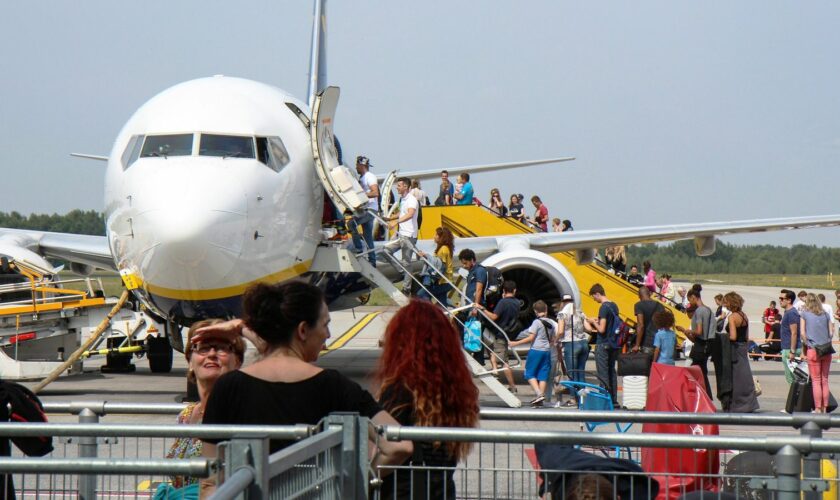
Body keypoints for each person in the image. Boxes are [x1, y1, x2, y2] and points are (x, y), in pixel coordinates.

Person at [194, 282, 413, 496]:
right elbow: (399, 446)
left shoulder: (229, 387)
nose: (328, 335)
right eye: (325, 324)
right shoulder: (334, 386)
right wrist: (351, 480)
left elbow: (210, 480)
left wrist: (243, 328)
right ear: (303, 330)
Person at [375, 300, 479, 499]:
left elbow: (392, 447)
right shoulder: (454, 388)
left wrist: (367, 474)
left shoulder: (401, 388)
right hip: (442, 489)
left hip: (403, 489)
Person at [162, 320, 245, 492]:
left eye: (222, 347)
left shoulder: (241, 411)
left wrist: (241, 328)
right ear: (190, 362)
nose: (212, 354)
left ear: (237, 361)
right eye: (203, 348)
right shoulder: (186, 415)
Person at [509, 300, 557, 407]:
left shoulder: (536, 322)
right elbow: (553, 339)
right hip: (547, 351)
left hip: (536, 350)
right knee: (543, 375)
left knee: (529, 373)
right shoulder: (551, 322)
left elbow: (531, 337)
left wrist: (515, 343)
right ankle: (540, 398)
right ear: (546, 309)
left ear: (535, 311)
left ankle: (539, 394)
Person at [675, 287, 719, 403]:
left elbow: (699, 332)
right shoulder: (709, 310)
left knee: (694, 372)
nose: (690, 303)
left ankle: (699, 398)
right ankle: (706, 397)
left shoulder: (699, 311)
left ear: (693, 297)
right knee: (702, 372)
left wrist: (688, 331)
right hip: (708, 344)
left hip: (700, 345)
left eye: (690, 300)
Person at [476, 280, 520, 393]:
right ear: (515, 291)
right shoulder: (517, 303)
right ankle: (502, 376)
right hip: (509, 333)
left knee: (502, 360)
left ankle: (506, 381)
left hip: (501, 334)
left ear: (504, 291)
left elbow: (494, 317)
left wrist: (482, 309)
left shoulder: (503, 302)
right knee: (496, 353)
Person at [724, 292, 760, 412]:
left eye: (726, 302)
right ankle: (749, 403)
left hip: (735, 349)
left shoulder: (732, 317)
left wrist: (723, 337)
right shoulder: (744, 315)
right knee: (745, 376)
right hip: (743, 347)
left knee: (736, 378)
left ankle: (738, 404)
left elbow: (733, 336)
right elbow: (746, 336)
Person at [384, 177, 420, 293]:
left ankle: (406, 288)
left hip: (409, 236)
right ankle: (403, 272)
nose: (397, 187)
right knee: (385, 251)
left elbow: (410, 214)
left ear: (405, 186)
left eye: (399, 185)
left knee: (406, 262)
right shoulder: (403, 199)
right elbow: (402, 212)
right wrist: (390, 218)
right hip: (402, 235)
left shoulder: (412, 200)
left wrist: (396, 223)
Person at [586, 284, 620, 404]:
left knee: (603, 374)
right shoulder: (614, 305)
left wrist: (592, 322)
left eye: (594, 297)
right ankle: (614, 401)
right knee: (612, 371)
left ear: (597, 294)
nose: (594, 300)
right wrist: (598, 320)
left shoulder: (603, 308)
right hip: (613, 344)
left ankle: (605, 401)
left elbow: (601, 329)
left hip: (603, 344)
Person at [800, 293, 834, 413]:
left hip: (813, 349)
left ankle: (818, 407)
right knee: (824, 380)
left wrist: (807, 343)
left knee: (816, 380)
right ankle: (825, 407)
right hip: (826, 349)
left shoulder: (805, 314)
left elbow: (802, 333)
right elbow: (831, 332)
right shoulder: (825, 314)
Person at [556, 294, 590, 406]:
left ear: (563, 302)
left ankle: (573, 399)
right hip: (583, 343)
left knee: (572, 373)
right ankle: (583, 400)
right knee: (581, 372)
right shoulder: (580, 313)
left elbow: (560, 331)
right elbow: (589, 329)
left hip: (571, 345)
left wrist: (555, 340)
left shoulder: (562, 314)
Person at [348, 155, 379, 265]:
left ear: (362, 165)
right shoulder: (362, 178)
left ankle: (358, 249)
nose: (356, 167)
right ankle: (372, 262)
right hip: (366, 209)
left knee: (351, 223)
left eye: (357, 165)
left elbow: (375, 193)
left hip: (370, 210)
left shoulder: (369, 177)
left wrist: (361, 195)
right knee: (368, 237)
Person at [459, 248, 488, 364]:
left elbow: (479, 289)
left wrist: (475, 307)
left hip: (475, 308)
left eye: (465, 263)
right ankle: (475, 359)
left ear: (472, 260)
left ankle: (479, 360)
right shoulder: (471, 271)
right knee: (472, 333)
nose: (464, 266)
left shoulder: (479, 271)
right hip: (469, 306)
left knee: (476, 333)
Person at [416, 227, 455, 306]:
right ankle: (442, 315)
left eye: (436, 234)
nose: (434, 236)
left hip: (444, 282)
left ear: (442, 237)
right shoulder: (444, 248)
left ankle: (432, 313)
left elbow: (441, 267)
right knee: (442, 304)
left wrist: (426, 256)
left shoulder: (443, 249)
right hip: (446, 281)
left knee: (422, 294)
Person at [632, 286, 664, 355]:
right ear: (649, 294)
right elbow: (663, 325)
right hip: (659, 343)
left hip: (647, 343)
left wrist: (637, 345)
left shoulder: (639, 305)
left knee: (646, 365)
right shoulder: (660, 305)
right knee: (656, 365)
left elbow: (641, 325)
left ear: (639, 296)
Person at [779, 289, 802, 384]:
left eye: (782, 298)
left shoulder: (791, 313)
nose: (780, 300)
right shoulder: (787, 312)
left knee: (791, 378)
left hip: (790, 349)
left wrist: (792, 352)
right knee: (791, 378)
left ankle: (795, 398)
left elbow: (794, 333)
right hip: (787, 348)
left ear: (789, 300)